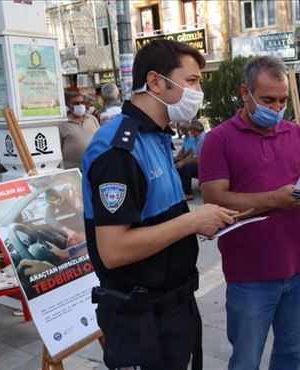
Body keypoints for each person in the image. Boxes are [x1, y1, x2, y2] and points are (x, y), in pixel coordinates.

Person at [81, 39, 238, 369]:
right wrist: (192, 222)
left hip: (172, 307)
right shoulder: (118, 150)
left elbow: (155, 221)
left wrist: (199, 222)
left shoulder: (156, 136)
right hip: (141, 320)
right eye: (191, 81)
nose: (199, 92)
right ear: (155, 82)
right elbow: (114, 249)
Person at [199, 55, 300, 370]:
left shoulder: (298, 134)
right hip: (249, 275)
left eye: (282, 101)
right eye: (268, 100)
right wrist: (274, 200)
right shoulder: (219, 139)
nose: (277, 108)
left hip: (299, 269)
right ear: (244, 92)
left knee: (292, 354)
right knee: (246, 360)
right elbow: (214, 198)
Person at [60, 91, 100, 170]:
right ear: (67, 105)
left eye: (82, 102)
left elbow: (100, 138)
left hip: (95, 166)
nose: (80, 105)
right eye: (76, 103)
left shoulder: (92, 119)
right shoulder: (62, 124)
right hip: (73, 170)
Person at [176, 119, 206, 201]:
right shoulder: (197, 138)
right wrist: (181, 161)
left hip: (206, 166)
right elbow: (192, 153)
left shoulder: (203, 138)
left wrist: (183, 162)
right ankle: (182, 189)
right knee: (180, 165)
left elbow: (199, 158)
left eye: (190, 130)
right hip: (201, 164)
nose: (189, 132)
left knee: (186, 167)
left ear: (194, 129)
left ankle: (188, 193)